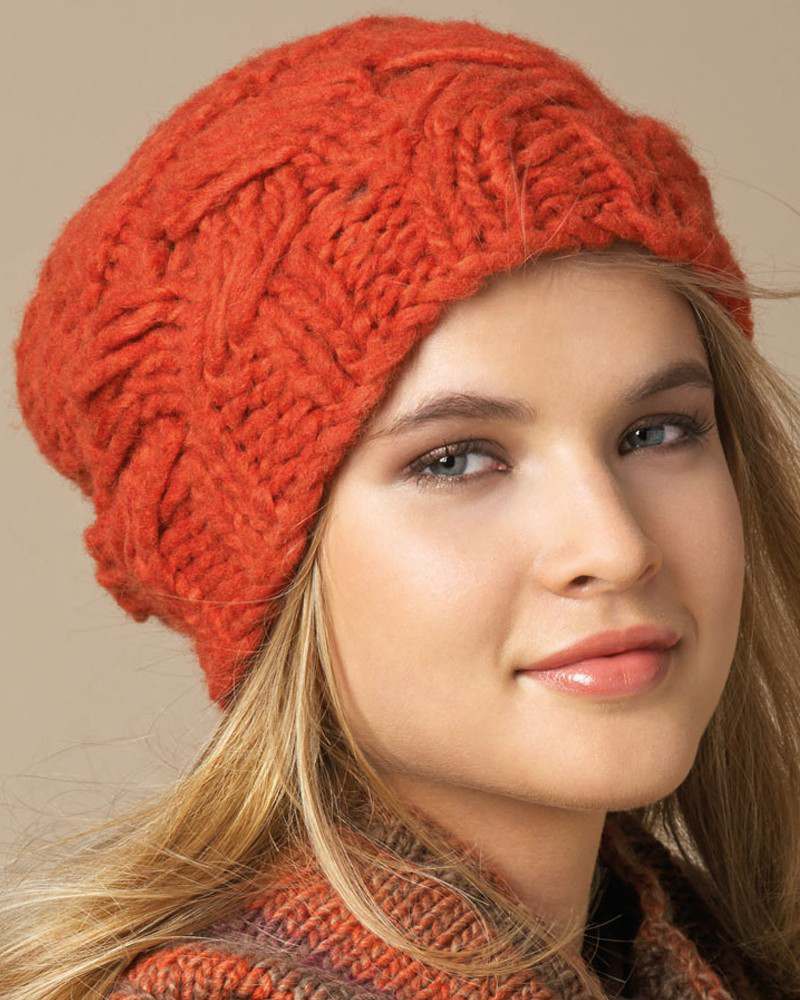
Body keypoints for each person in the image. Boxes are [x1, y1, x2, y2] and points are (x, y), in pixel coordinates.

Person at [4, 13, 800, 1000]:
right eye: (456, 459)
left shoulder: (693, 948)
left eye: (656, 432)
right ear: (272, 576)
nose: (614, 544)